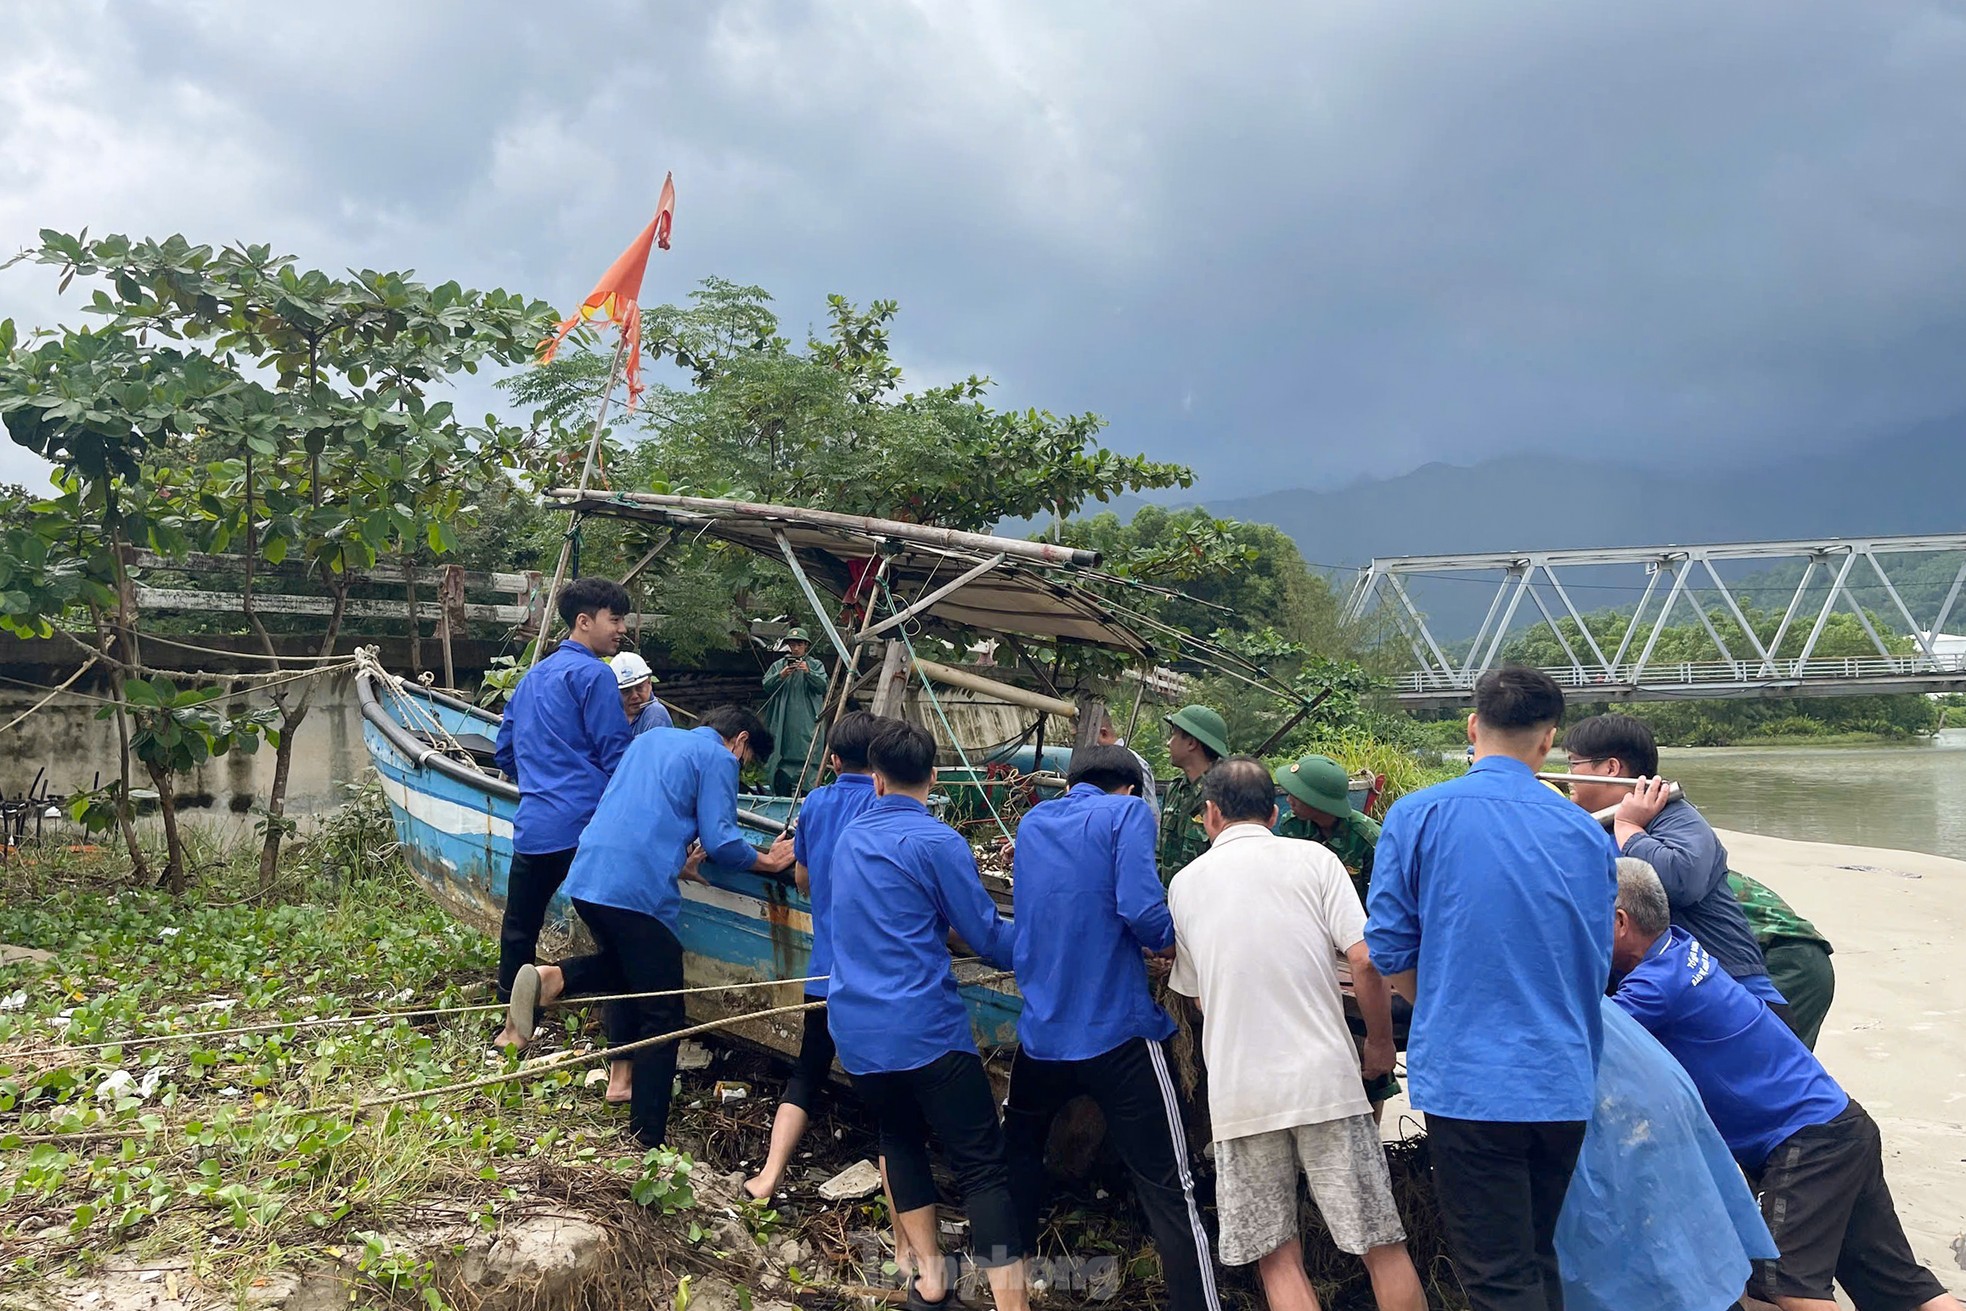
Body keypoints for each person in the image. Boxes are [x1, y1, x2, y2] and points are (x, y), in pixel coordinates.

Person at [1367, 666, 1619, 1311]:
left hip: (1472, 1083)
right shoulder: (1584, 834)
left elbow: (1389, 946)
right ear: (1549, 741)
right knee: (1536, 1256)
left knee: (1496, 1276)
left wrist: (1442, 1005)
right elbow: (1593, 962)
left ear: (1473, 726)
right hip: (1561, 1080)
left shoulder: (1417, 815)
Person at [1609, 860, 1961, 1311]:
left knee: (1786, 1287)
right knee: (1901, 1288)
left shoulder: (1655, 988)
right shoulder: (1679, 948)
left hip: (1807, 1141)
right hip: (1840, 1124)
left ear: (1620, 922)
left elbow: (1590, 1044)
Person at [1170, 756, 1422, 1311]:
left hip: (1241, 1094)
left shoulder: (1184, 885)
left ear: (1210, 814)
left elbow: (1198, 999)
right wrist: (1379, 1043)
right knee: (1381, 1243)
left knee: (1277, 1255)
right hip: (1326, 1082)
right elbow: (1366, 961)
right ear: (1276, 812)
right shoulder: (1317, 860)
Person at [502, 707, 796, 1148]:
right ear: (738, 741)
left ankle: (555, 978)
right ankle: (647, 1142)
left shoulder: (650, 740)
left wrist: (677, 860)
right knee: (663, 1014)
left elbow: (643, 813)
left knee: (632, 976)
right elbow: (721, 839)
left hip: (588, 877)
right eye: (746, 761)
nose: (740, 768)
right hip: (636, 889)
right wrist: (769, 861)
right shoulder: (717, 758)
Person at [1002, 745, 1220, 1311]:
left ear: (1073, 783)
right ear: (1126, 787)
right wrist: (1174, 944)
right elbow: (1143, 910)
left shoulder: (1033, 823)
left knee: (1018, 1162)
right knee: (1171, 1187)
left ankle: (1010, 1292)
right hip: (1117, 1034)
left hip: (1041, 1034)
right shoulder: (1127, 814)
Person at [826, 722, 1028, 1310]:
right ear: (934, 778)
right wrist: (1052, 941)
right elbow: (988, 937)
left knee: (900, 1139)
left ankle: (932, 1280)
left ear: (878, 779)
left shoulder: (850, 837)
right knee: (982, 1166)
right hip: (925, 1030)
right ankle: (1012, 1306)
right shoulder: (940, 842)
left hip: (858, 1032)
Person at [744, 710, 889, 1202]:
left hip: (824, 972)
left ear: (830, 759)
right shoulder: (885, 802)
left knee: (807, 1071)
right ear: (880, 763)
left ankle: (768, 1174)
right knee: (892, 1095)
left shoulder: (817, 803)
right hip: (878, 980)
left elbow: (802, 880)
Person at [1562, 714, 1790, 1022]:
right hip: (1658, 996)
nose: (1567, 776)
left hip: (1729, 991)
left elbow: (1682, 879)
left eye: (1573, 764)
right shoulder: (1597, 827)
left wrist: (1629, 828)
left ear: (1610, 768)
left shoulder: (1673, 815)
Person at [491, 577, 634, 1044]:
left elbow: (505, 752)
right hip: (585, 825)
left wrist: (539, 781)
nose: (621, 630)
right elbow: (615, 753)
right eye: (615, 620)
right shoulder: (595, 675)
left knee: (519, 927)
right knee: (617, 939)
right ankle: (612, 1039)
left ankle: (513, 1027)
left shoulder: (533, 677)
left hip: (535, 823)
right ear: (584, 621)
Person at [1273, 754, 1403, 1118]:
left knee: (1364, 1031)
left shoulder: (1369, 840)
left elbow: (1388, 910)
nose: (1288, 797)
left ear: (1319, 800)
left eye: (1297, 792)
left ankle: (1371, 1111)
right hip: (1312, 945)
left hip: (1361, 949)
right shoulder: (1289, 827)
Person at [1730, 870, 1836, 1050]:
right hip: (1806, 960)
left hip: (1789, 962)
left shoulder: (1681, 882)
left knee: (1752, 1057)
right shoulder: (1702, 867)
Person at [1157, 704, 1230, 884]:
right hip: (1169, 901)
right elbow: (1160, 852)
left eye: (1173, 735)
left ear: (1191, 743)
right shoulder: (1175, 789)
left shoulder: (1224, 793)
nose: (1169, 742)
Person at [761, 627, 829, 796]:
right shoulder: (779, 665)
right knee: (779, 753)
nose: (795, 648)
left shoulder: (815, 665)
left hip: (808, 721)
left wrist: (808, 672)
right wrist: (781, 675)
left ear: (806, 645)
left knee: (809, 754)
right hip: (783, 721)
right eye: (792, 644)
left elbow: (822, 686)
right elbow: (766, 686)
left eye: (799, 644)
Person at [1095, 709, 1159, 815]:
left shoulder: (1135, 764)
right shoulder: (1092, 766)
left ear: (1103, 734)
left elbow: (1150, 814)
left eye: (1078, 739)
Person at [610, 651, 673, 737]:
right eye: (626, 691)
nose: (634, 696)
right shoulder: (613, 716)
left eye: (639, 688)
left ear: (649, 683)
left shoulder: (655, 714)